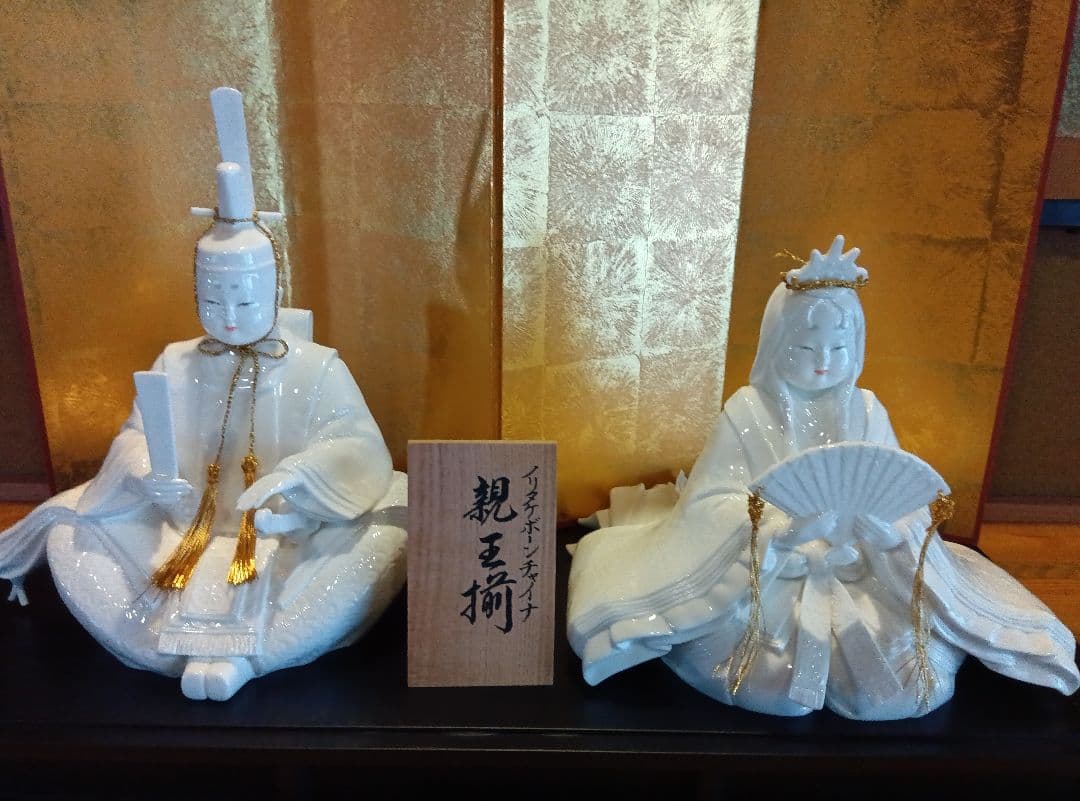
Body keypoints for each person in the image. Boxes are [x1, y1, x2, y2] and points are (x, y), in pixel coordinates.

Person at [567, 235, 1078, 720]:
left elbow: (900, 498)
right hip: (766, 575)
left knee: (908, 681)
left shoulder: (867, 411)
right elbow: (711, 501)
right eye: (806, 349)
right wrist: (776, 532)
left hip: (865, 571)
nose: (823, 364)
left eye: (838, 349)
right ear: (775, 345)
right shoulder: (748, 413)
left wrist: (888, 534)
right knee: (769, 679)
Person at [0, 160, 407, 702]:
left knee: (387, 530)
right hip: (182, 526)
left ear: (274, 291)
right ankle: (171, 651)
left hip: (289, 533)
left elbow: (356, 444)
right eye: (214, 302)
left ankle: (254, 654)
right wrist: (147, 472)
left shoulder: (316, 367)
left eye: (246, 301)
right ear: (196, 293)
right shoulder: (176, 361)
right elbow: (136, 434)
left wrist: (300, 477)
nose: (230, 317)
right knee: (69, 537)